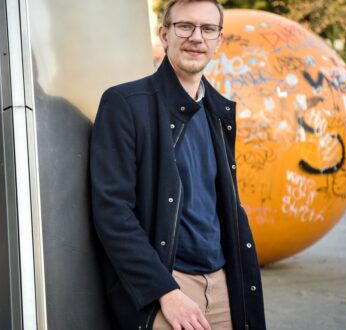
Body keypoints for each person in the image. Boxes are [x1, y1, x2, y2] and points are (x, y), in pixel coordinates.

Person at [90, 0, 266, 329]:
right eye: (184, 26)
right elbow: (113, 211)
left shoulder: (219, 112)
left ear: (218, 40)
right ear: (164, 35)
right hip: (166, 284)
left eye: (207, 29)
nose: (196, 37)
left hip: (222, 281)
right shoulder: (125, 104)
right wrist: (166, 292)